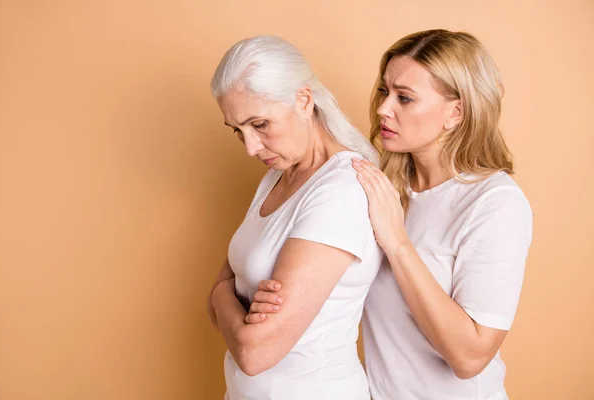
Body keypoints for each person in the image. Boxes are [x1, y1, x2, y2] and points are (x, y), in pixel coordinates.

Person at [250, 30, 533, 400]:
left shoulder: (494, 203)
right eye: (385, 91)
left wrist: (397, 244)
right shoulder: (380, 184)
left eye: (405, 98)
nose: (384, 108)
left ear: (456, 113)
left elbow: (470, 357)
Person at [206, 35, 383, 400]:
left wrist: (224, 291)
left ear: (303, 100)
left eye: (260, 124)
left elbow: (256, 353)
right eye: (238, 131)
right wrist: (228, 300)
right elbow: (217, 315)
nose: (251, 147)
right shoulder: (277, 175)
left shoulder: (340, 190)